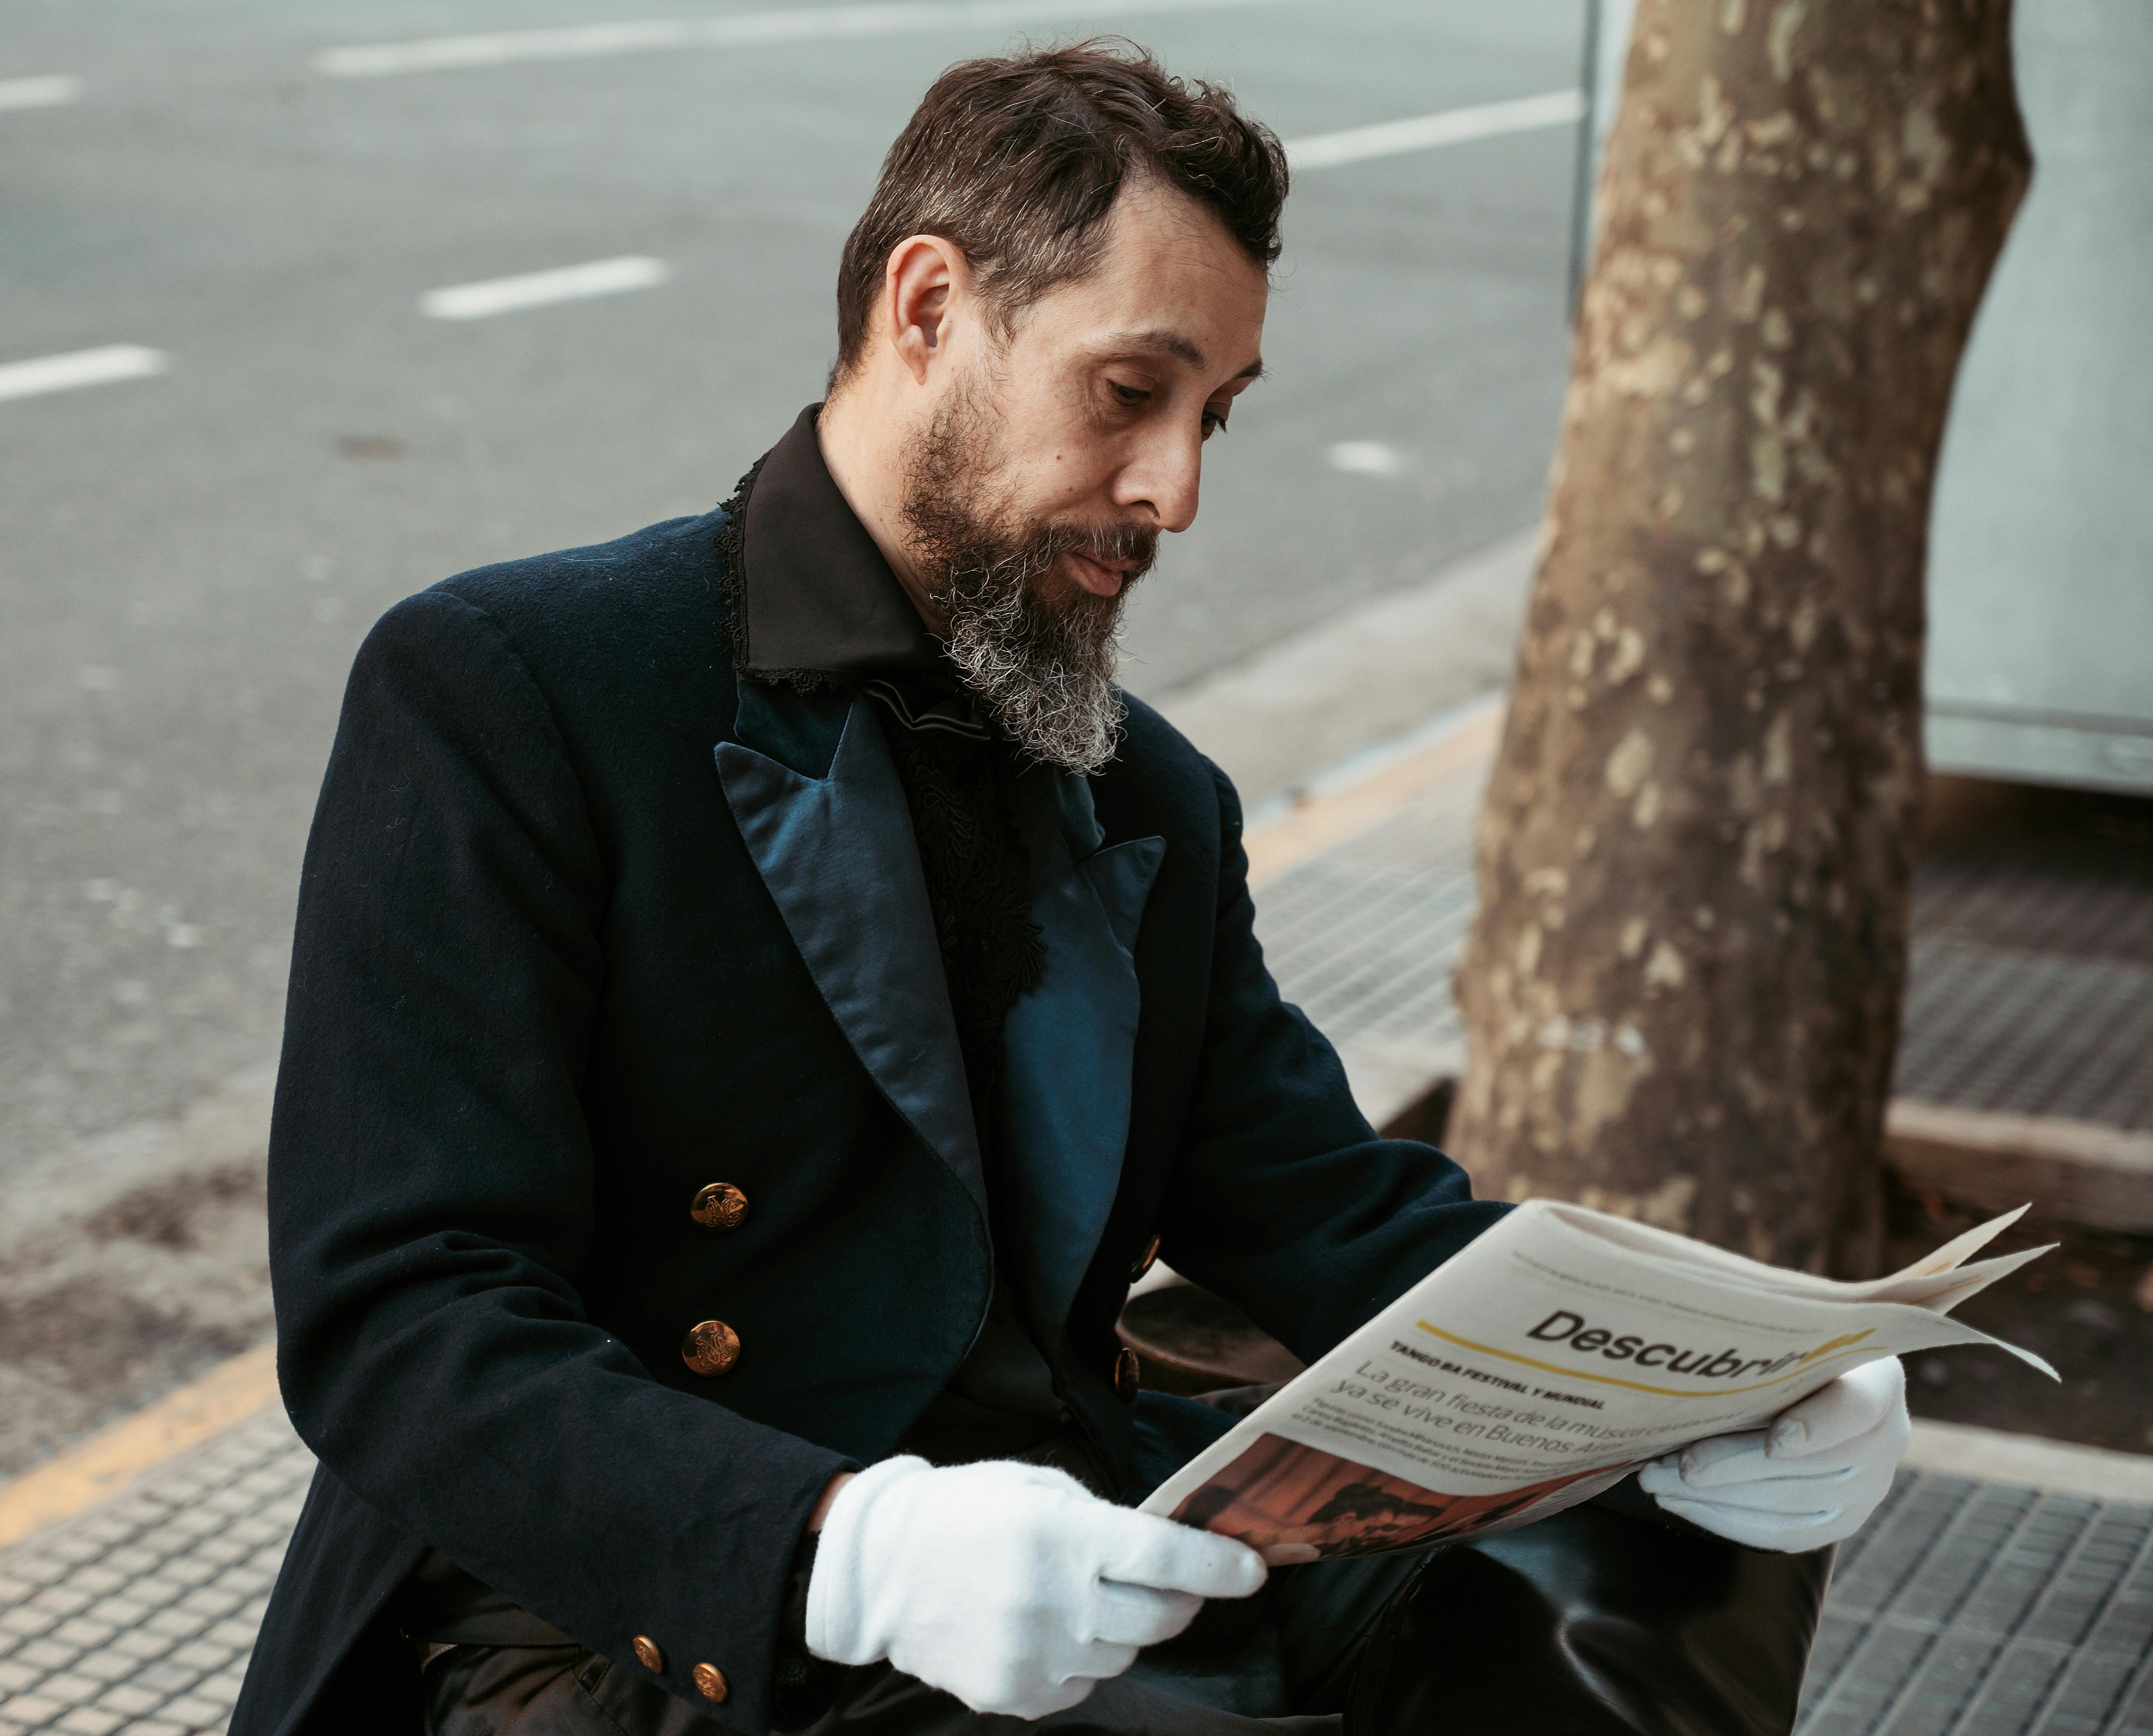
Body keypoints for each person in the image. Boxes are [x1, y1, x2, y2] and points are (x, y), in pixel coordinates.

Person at [228, 41, 1909, 1736]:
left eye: (1213, 415)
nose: (1177, 489)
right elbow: (402, 1314)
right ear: (928, 309)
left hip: (1078, 1518)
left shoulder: (1150, 792)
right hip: (643, 1610)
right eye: (1129, 392)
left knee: (1668, 1562)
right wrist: (847, 1547)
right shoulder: (520, 686)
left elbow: (1323, 1208)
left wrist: (1691, 1388)